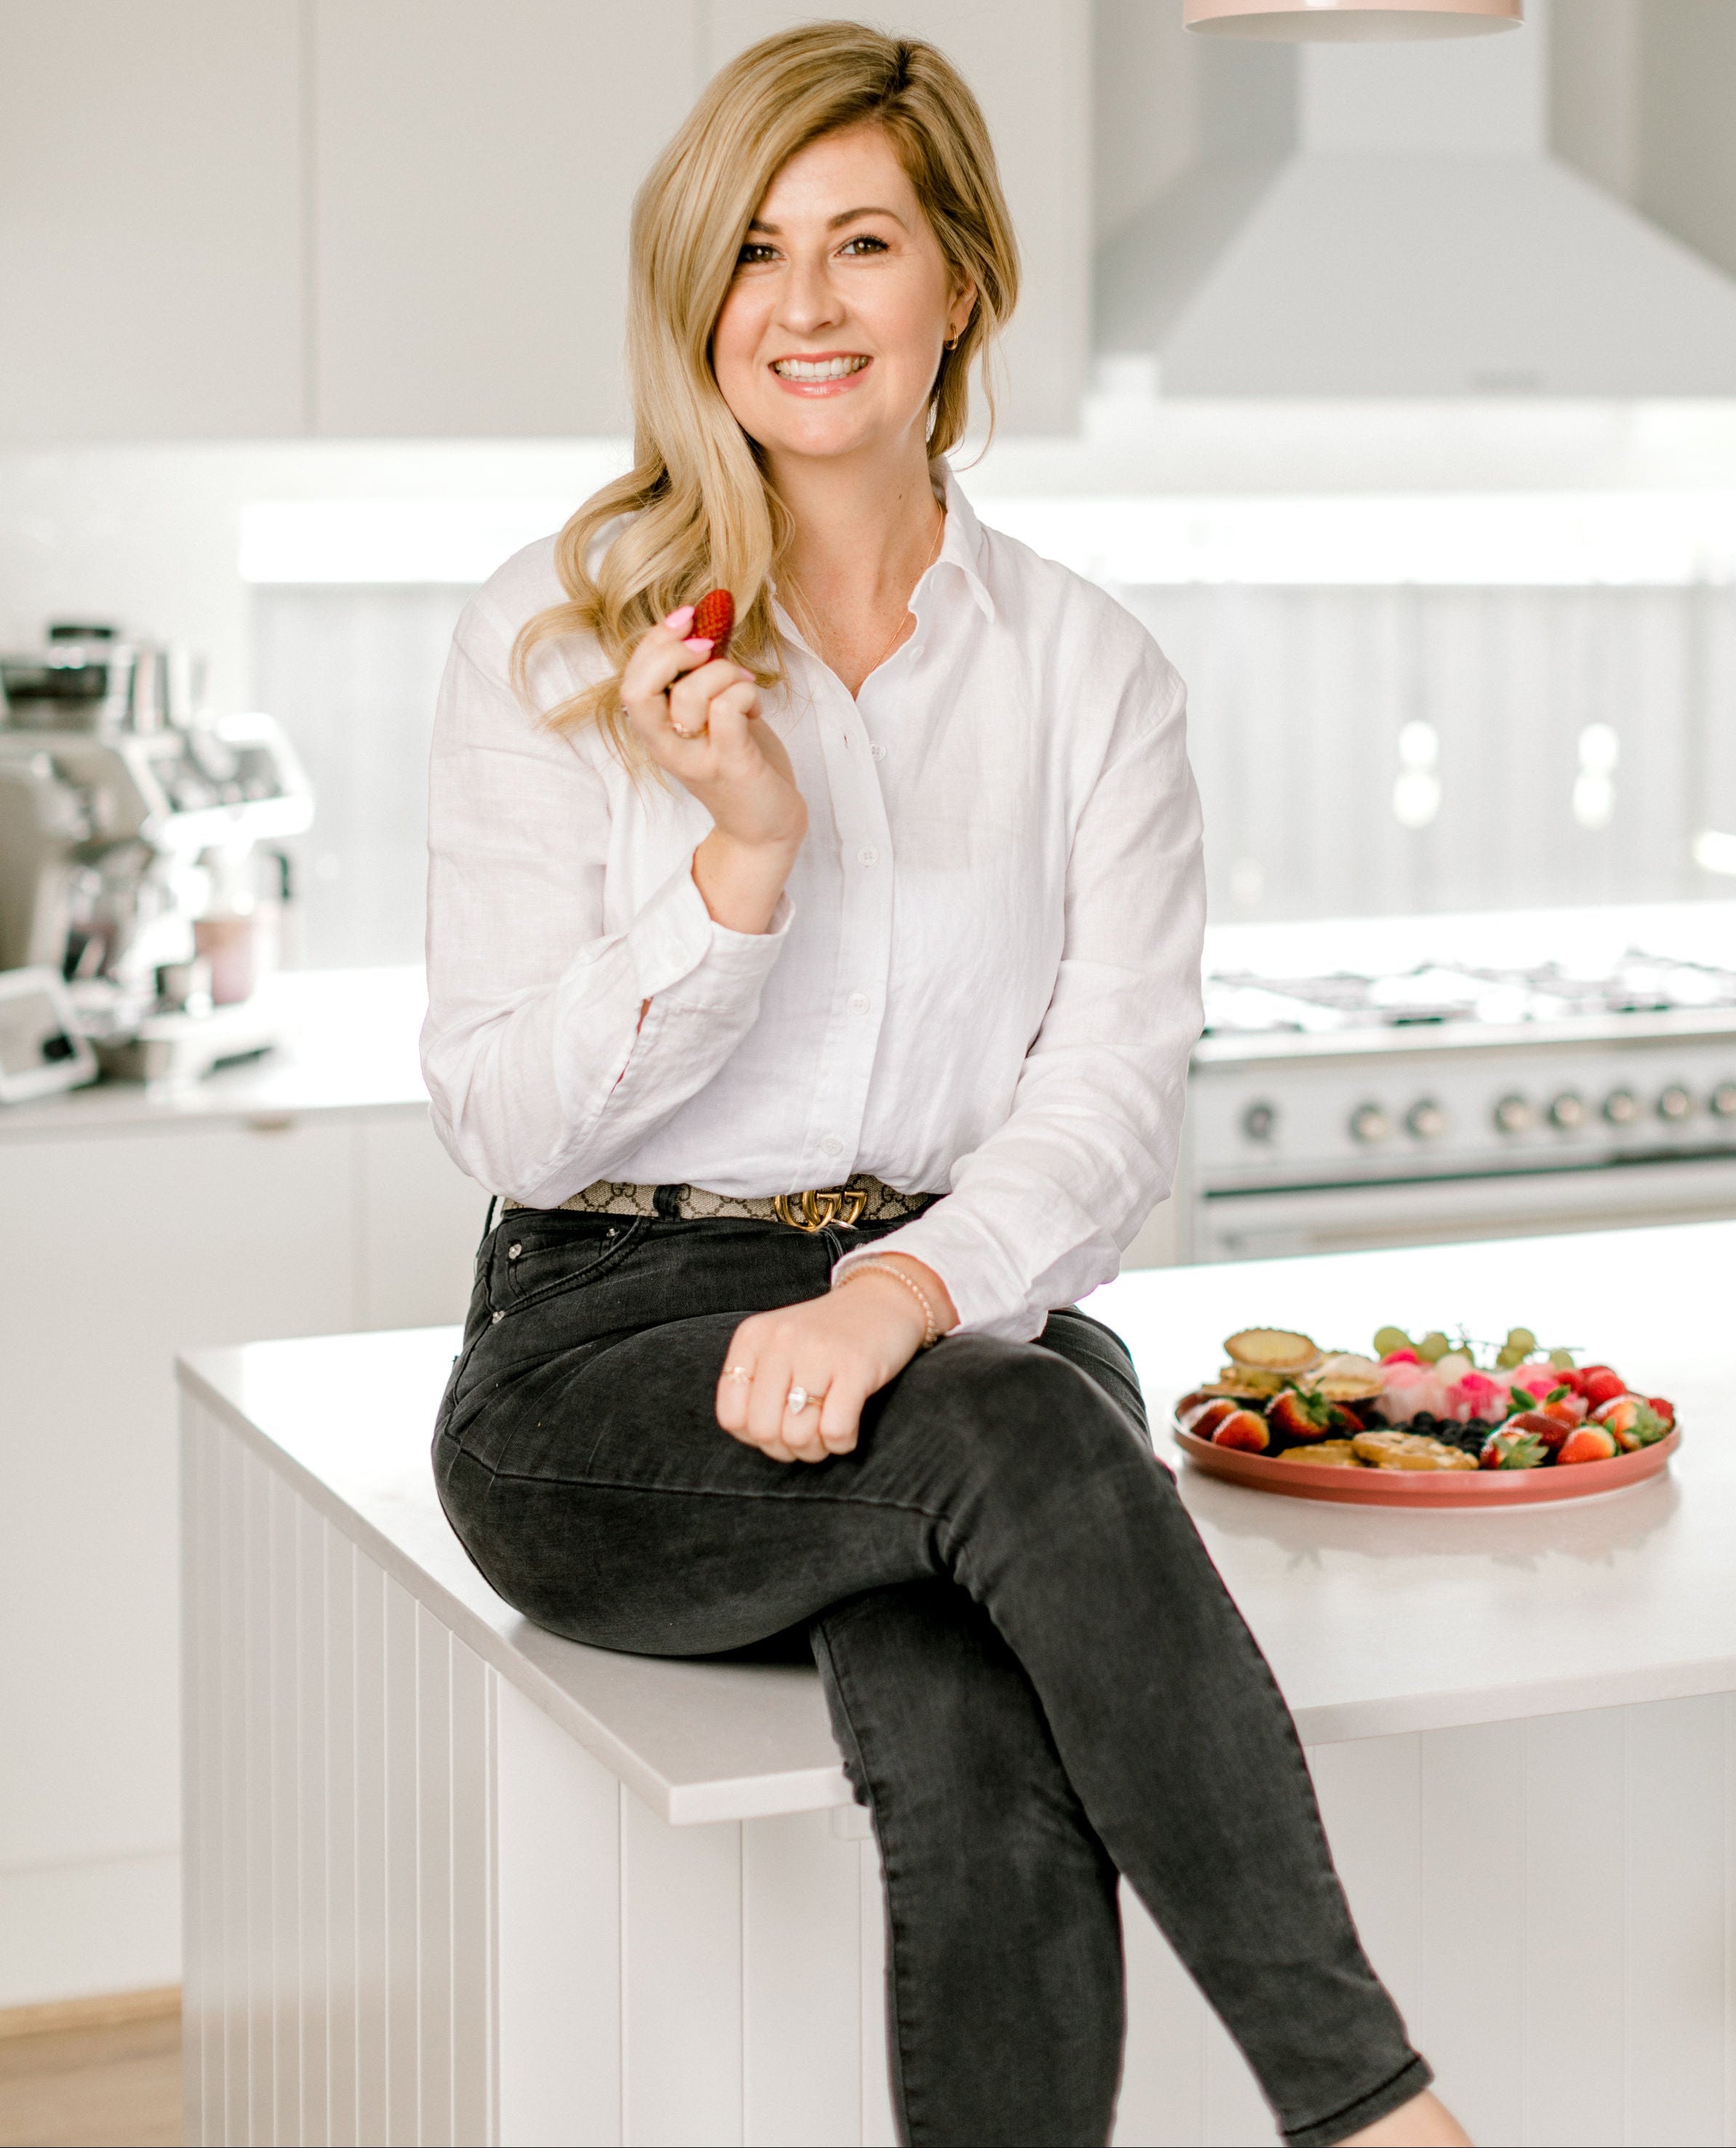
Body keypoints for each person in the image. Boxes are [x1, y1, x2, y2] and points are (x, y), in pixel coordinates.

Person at [422, 22, 1468, 2147]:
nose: (799, 306)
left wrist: (895, 1294)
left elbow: (1101, 1100)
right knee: (1012, 1425)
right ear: (694, 294)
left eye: (863, 241)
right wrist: (738, 863)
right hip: (603, 1364)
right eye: (752, 251)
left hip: (955, 1332)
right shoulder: (559, 636)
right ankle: (1375, 2115)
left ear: (960, 281)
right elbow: (505, 1121)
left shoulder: (1089, 672)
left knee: (981, 1725)